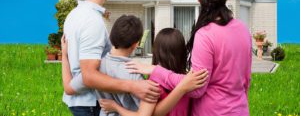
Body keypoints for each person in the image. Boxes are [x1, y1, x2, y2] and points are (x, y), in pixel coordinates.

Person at [126, 0, 252, 116]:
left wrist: (156, 71)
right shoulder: (243, 29)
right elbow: (246, 80)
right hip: (240, 110)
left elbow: (196, 88)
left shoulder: (205, 35)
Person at [62, 0, 160, 116]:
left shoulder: (73, 15)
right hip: (90, 102)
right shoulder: (92, 21)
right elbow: (89, 76)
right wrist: (133, 86)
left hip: (78, 96)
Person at [62, 19, 207, 116]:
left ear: (111, 36)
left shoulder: (93, 70)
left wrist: (64, 55)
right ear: (136, 44)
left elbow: (68, 88)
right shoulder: (138, 77)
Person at [99, 28, 208, 116]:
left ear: (157, 52)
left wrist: (116, 108)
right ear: (182, 52)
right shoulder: (189, 80)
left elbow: (152, 114)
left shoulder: (154, 83)